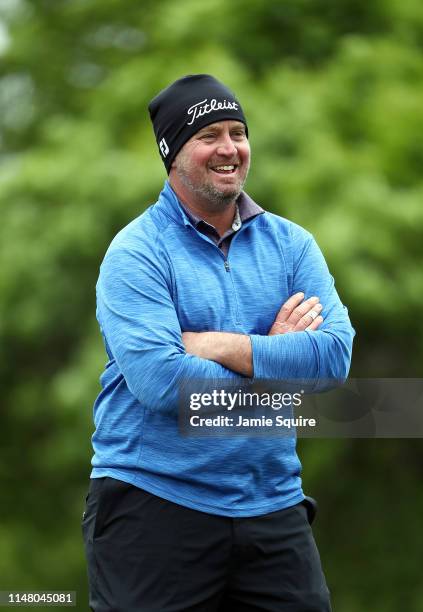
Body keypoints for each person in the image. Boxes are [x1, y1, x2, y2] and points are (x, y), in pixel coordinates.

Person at [82, 74, 355, 611]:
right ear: (173, 153)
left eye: (237, 132)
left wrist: (222, 346)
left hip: (272, 505)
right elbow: (167, 385)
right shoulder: (136, 252)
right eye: (209, 134)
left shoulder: (292, 245)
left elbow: (335, 356)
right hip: (154, 505)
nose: (229, 148)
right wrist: (278, 360)